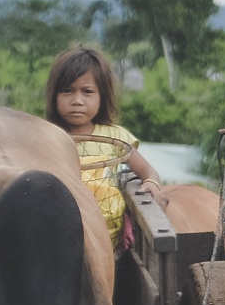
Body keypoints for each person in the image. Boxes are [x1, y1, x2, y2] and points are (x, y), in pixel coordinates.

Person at [45, 46, 161, 236]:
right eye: (67, 91)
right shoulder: (45, 136)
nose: (77, 100)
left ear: (102, 96)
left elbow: (147, 171)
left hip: (106, 235)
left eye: (87, 91)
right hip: (57, 232)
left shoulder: (115, 137)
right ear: (54, 96)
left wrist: (151, 183)